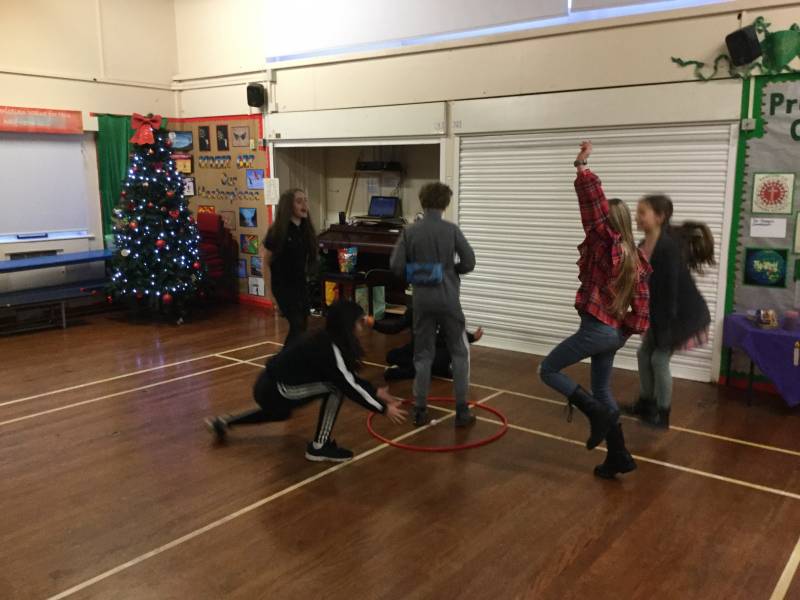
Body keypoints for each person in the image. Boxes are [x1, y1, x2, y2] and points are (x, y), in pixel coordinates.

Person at [538, 141, 651, 479]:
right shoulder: (636, 257)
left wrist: (582, 167)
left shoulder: (605, 243)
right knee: (602, 390)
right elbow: (642, 310)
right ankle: (619, 455)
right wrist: (622, 332)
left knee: (548, 369)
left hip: (598, 329)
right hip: (614, 333)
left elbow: (593, 207)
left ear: (609, 224)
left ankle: (593, 413)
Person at [205, 301, 407, 463]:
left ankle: (223, 423)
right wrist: (383, 408)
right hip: (278, 388)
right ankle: (319, 447)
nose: (362, 326)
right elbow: (347, 385)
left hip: (267, 385)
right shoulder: (329, 347)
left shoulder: (327, 338)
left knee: (278, 413)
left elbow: (346, 376)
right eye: (359, 322)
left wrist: (375, 392)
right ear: (347, 324)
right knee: (335, 389)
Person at [390, 182, 477, 428]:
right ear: (445, 203)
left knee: (423, 355)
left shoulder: (410, 231)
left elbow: (396, 266)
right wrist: (451, 271)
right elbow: (470, 261)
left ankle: (419, 410)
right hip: (448, 299)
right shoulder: (451, 230)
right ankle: (462, 410)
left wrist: (421, 273)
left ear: (422, 201)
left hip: (422, 301)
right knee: (459, 352)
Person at [624, 195, 714, 429]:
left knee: (659, 359)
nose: (637, 217)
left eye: (642, 212)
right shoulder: (643, 246)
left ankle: (662, 415)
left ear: (659, 217)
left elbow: (670, 293)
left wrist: (663, 331)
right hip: (660, 313)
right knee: (644, 354)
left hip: (682, 316)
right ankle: (646, 404)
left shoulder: (668, 247)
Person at [262, 188, 317, 347]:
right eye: (299, 201)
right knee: (297, 326)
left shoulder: (306, 230)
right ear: (289, 206)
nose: (304, 205)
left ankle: (290, 358)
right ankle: (284, 359)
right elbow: (266, 263)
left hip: (300, 285)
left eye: (305, 201)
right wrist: (270, 294)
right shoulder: (278, 231)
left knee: (302, 327)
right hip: (283, 287)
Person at [373, 304, 483, 381]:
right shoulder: (414, 310)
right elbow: (395, 327)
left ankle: (409, 371)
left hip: (439, 351)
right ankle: (418, 367)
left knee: (431, 364)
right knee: (391, 356)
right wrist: (375, 324)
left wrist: (472, 337)